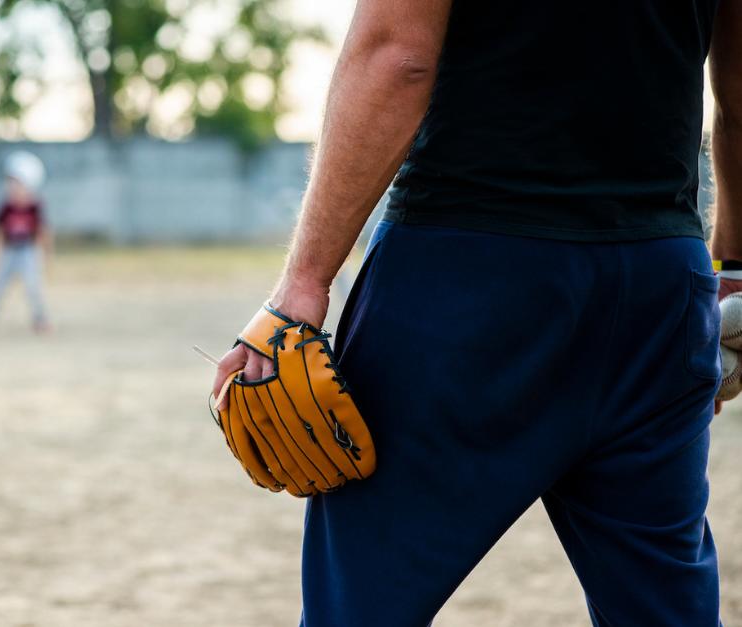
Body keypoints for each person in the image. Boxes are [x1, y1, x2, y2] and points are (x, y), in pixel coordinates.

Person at [212, 0, 742, 624]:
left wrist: (303, 283)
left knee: (361, 608)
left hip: (465, 273)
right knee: (663, 609)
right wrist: (732, 269)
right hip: (656, 280)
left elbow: (397, 55)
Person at [0, 151, 52, 335]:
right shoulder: (5, 207)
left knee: (33, 287)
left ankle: (40, 320)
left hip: (28, 251)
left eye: (17, 183)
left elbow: (44, 232)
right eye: (10, 183)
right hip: (9, 251)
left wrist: (46, 254)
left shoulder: (35, 207)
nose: (12, 188)